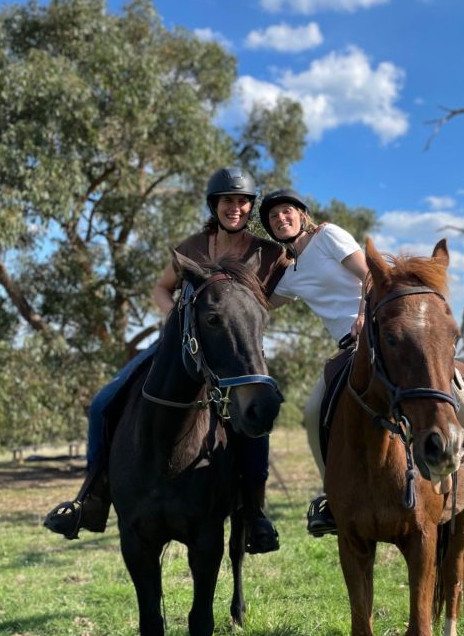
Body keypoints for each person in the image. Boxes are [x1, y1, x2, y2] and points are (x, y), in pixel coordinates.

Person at [44, 167, 288, 554]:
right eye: (228, 201)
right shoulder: (192, 246)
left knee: (253, 422)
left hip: (233, 355)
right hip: (180, 347)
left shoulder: (269, 251)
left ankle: (255, 512)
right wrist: (175, 319)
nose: (236, 208)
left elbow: (299, 280)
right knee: (104, 403)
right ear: (215, 205)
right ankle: (91, 498)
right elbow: (161, 288)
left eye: (243, 201)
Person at [258, 188, 464, 537]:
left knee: (450, 383)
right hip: (347, 349)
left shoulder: (328, 236)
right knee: (311, 409)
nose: (281, 219)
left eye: (287, 212)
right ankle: (332, 496)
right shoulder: (290, 273)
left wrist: (364, 315)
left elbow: (370, 274)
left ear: (302, 214)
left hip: (382, 333)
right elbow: (263, 303)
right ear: (270, 228)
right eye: (273, 217)